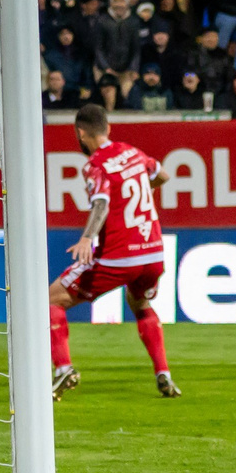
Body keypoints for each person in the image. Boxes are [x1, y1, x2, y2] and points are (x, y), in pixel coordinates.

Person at [48, 104, 176, 398]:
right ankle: (163, 374)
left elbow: (102, 203)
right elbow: (164, 175)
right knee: (141, 305)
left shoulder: (96, 164)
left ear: (81, 133)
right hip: (154, 254)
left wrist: (86, 238)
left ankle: (63, 369)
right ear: (108, 128)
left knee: (51, 301)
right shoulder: (132, 152)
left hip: (120, 256)